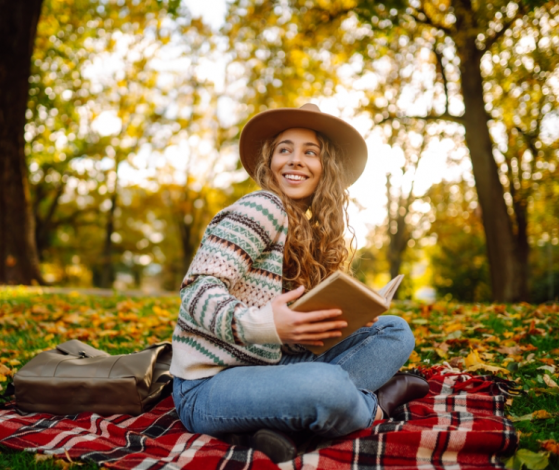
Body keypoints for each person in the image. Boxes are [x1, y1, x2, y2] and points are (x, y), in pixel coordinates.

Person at [169, 104, 429, 462]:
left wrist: (340, 319)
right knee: (328, 387)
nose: (295, 160)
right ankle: (376, 404)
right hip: (209, 386)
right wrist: (269, 324)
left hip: (269, 370)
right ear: (269, 161)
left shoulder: (306, 229)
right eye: (284, 149)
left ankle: (275, 425)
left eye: (310, 152)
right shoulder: (261, 207)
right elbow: (196, 294)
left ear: (327, 168)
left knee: (394, 331)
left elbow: (282, 345)